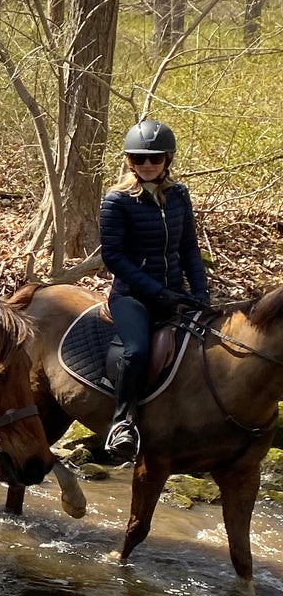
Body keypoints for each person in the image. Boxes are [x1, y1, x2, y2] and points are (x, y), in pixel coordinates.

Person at [99, 118, 209, 463]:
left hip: (176, 291)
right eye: (139, 159)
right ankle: (122, 423)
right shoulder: (117, 200)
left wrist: (201, 294)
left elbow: (189, 247)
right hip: (132, 296)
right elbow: (113, 256)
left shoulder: (178, 195)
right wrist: (156, 293)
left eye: (155, 158)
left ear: (167, 160)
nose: (147, 165)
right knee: (136, 351)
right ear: (130, 161)